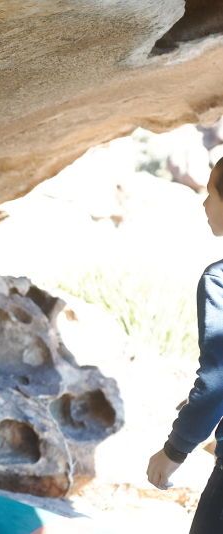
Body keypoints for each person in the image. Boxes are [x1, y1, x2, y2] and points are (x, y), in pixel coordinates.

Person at [147, 158, 223, 533]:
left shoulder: (219, 280)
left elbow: (218, 380)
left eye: (211, 193)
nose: (204, 204)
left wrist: (174, 450)